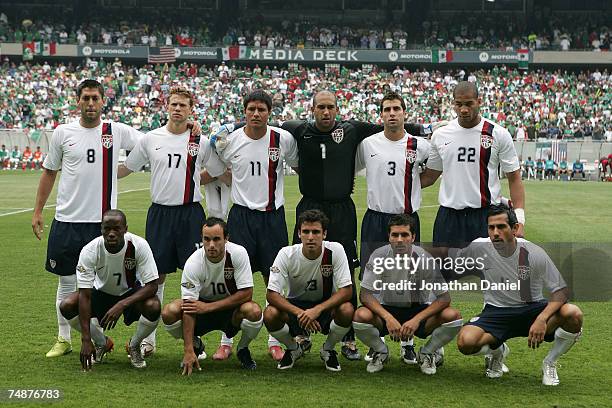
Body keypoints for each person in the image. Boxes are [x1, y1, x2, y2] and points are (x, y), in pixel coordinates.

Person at [32, 79, 142, 358]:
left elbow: (150, 144)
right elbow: (49, 172)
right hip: (67, 220)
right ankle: (66, 338)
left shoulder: (116, 131)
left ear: (103, 101)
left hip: (102, 226)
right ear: (77, 101)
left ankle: (97, 339)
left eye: (95, 98)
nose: (90, 103)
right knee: (66, 283)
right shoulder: (62, 133)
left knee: (96, 286)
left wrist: (124, 169)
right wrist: (37, 211)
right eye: (86, 98)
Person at [120, 86, 222, 357]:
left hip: (190, 214)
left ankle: (196, 339)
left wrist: (193, 182)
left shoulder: (200, 140)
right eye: (173, 104)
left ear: (191, 110)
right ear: (167, 106)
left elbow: (215, 170)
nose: (177, 109)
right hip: (160, 215)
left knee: (196, 276)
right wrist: (93, 173)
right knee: (156, 277)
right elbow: (127, 168)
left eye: (183, 105)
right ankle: (148, 339)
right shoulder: (150, 139)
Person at [212, 89, 298, 361]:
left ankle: (275, 339)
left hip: (272, 217)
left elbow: (297, 164)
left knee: (274, 279)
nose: (256, 114)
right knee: (234, 281)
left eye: (262, 109)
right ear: (245, 112)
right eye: (252, 109)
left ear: (269, 113)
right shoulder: (230, 141)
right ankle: (226, 339)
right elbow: (220, 170)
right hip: (241, 217)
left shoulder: (282, 139)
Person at [455, 205, 583, 385]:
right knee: (465, 343)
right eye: (491, 228)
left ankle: (550, 362)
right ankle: (498, 352)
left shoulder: (533, 252)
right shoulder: (479, 247)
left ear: (514, 229)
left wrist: (542, 318)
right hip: (496, 311)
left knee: (573, 314)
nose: (495, 233)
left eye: (501, 227)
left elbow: (561, 291)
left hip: (532, 310)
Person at [354, 92, 431, 361]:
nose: (392, 113)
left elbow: (431, 173)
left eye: (397, 108)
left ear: (404, 113)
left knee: (410, 280)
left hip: (407, 220)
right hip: (375, 218)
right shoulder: (367, 144)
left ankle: (407, 342)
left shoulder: (419, 145)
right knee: (371, 280)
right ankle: (376, 344)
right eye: (387, 109)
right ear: (381, 115)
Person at [421, 81, 525, 250]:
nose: (463, 109)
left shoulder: (498, 134)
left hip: (486, 216)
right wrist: (398, 181)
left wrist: (520, 219)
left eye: (469, 104)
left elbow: (514, 178)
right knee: (445, 273)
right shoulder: (441, 135)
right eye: (458, 104)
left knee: (488, 274)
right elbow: (430, 176)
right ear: (453, 103)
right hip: (449, 217)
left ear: (479, 101)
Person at [353, 214, 462, 374]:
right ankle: (380, 351)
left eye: (404, 235)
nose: (399, 239)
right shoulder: (378, 255)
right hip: (387, 309)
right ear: (388, 237)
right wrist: (388, 318)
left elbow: (445, 298)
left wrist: (416, 320)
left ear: (413, 237)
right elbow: (365, 295)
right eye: (395, 235)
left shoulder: (425, 258)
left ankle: (427, 352)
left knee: (453, 316)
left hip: (418, 310)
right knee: (360, 315)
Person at [58, 210, 160, 370]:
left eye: (116, 229)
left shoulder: (138, 245)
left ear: (125, 229)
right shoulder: (90, 250)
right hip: (100, 294)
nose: (111, 233)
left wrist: (122, 305)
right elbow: (85, 295)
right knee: (67, 305)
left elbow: (152, 285)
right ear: (101, 229)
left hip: (130, 293)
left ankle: (134, 345)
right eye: (107, 229)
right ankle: (101, 343)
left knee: (153, 306)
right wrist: (86, 339)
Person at [161, 217, 263, 375]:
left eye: (216, 239)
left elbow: (247, 293)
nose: (211, 245)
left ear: (226, 239)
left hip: (230, 311)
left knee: (254, 311)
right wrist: (187, 349)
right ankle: (195, 345)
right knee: (169, 311)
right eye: (206, 239)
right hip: (200, 311)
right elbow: (189, 307)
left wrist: (209, 307)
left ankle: (243, 349)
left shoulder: (238, 253)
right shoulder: (193, 262)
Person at [264, 209, 354, 371]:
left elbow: (347, 290)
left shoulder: (336, 250)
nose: (311, 237)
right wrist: (300, 313)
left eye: (316, 232)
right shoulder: (286, 254)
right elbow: (272, 294)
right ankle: (293, 349)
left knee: (347, 310)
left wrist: (317, 310)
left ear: (324, 234)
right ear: (299, 234)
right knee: (270, 314)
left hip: (324, 305)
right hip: (295, 307)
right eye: (306, 232)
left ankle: (328, 349)